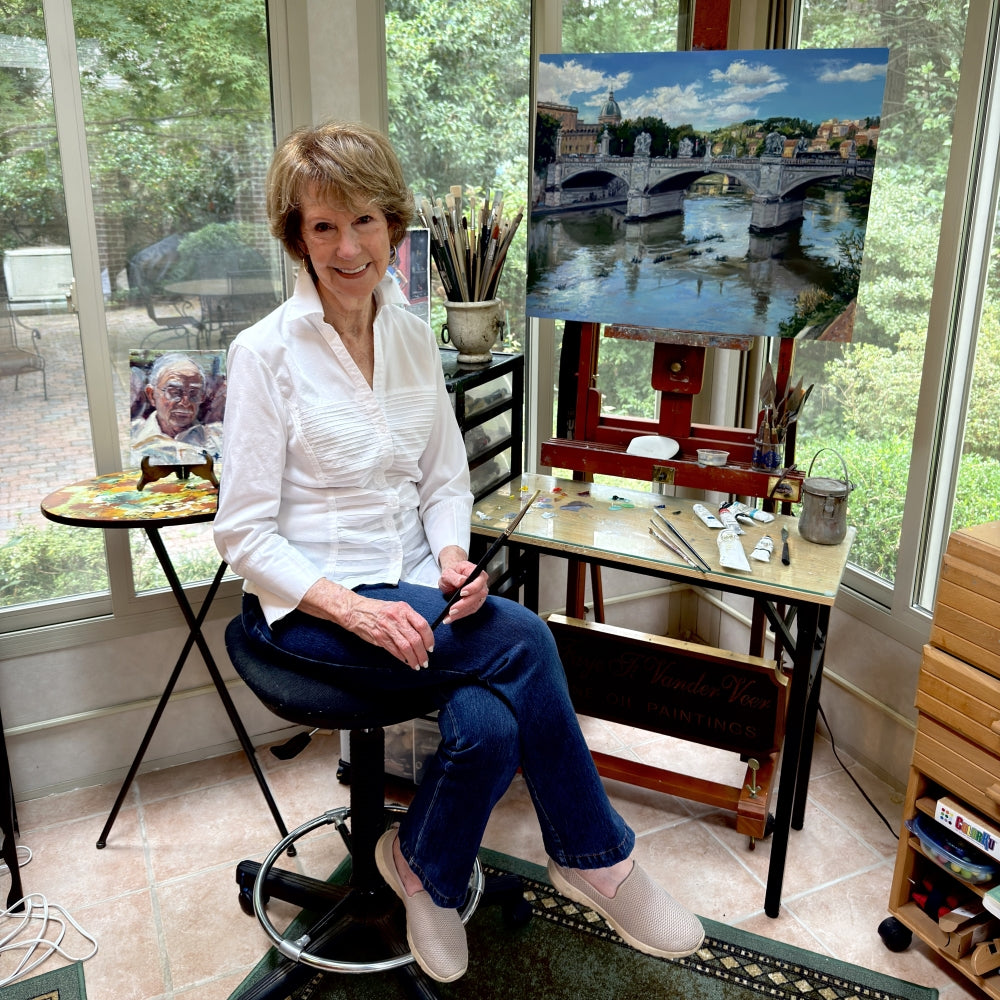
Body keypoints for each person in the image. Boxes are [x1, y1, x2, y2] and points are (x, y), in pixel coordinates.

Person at [212, 121, 704, 984]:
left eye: (363, 221)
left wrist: (448, 560)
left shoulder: (409, 336)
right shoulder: (263, 355)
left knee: (491, 718)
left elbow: (443, 480)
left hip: (415, 588)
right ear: (297, 237)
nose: (347, 246)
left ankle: (425, 870)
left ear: (393, 227)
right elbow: (244, 535)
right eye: (322, 226)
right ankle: (595, 858)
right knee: (528, 641)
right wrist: (356, 608)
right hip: (312, 611)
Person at [131, 352, 223, 465]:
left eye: (194, 394)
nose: (185, 403)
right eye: (175, 393)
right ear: (151, 395)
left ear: (202, 397)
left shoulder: (218, 439)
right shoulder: (132, 436)